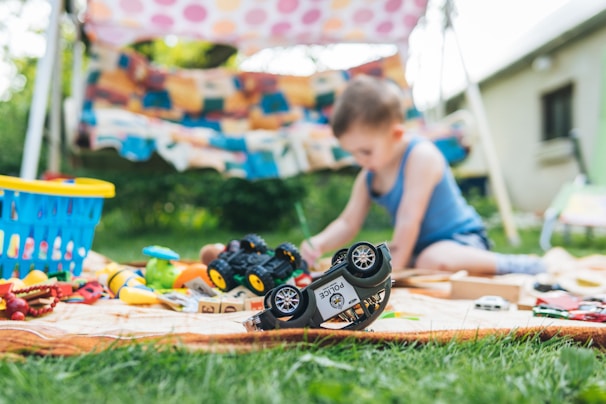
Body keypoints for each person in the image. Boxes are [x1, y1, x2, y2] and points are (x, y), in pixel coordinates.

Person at [300, 75, 546, 276]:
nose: (359, 160)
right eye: (352, 153)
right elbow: (347, 223)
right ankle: (416, 260)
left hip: (461, 242)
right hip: (420, 247)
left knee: (431, 260)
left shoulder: (421, 156)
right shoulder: (369, 175)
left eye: (365, 151)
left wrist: (391, 271)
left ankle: (514, 264)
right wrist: (319, 243)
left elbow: (409, 220)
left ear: (396, 134)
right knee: (368, 258)